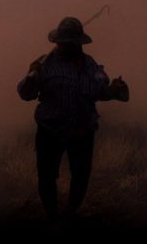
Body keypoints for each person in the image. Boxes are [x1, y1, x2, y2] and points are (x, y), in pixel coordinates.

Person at [17, 17, 129, 222]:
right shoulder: (45, 64)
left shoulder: (91, 66)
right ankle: (52, 217)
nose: (64, 46)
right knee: (47, 176)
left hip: (82, 130)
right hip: (50, 129)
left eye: (69, 43)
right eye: (62, 42)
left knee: (81, 175)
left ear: (78, 44)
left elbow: (100, 92)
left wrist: (114, 90)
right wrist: (30, 75)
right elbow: (25, 94)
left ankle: (70, 213)